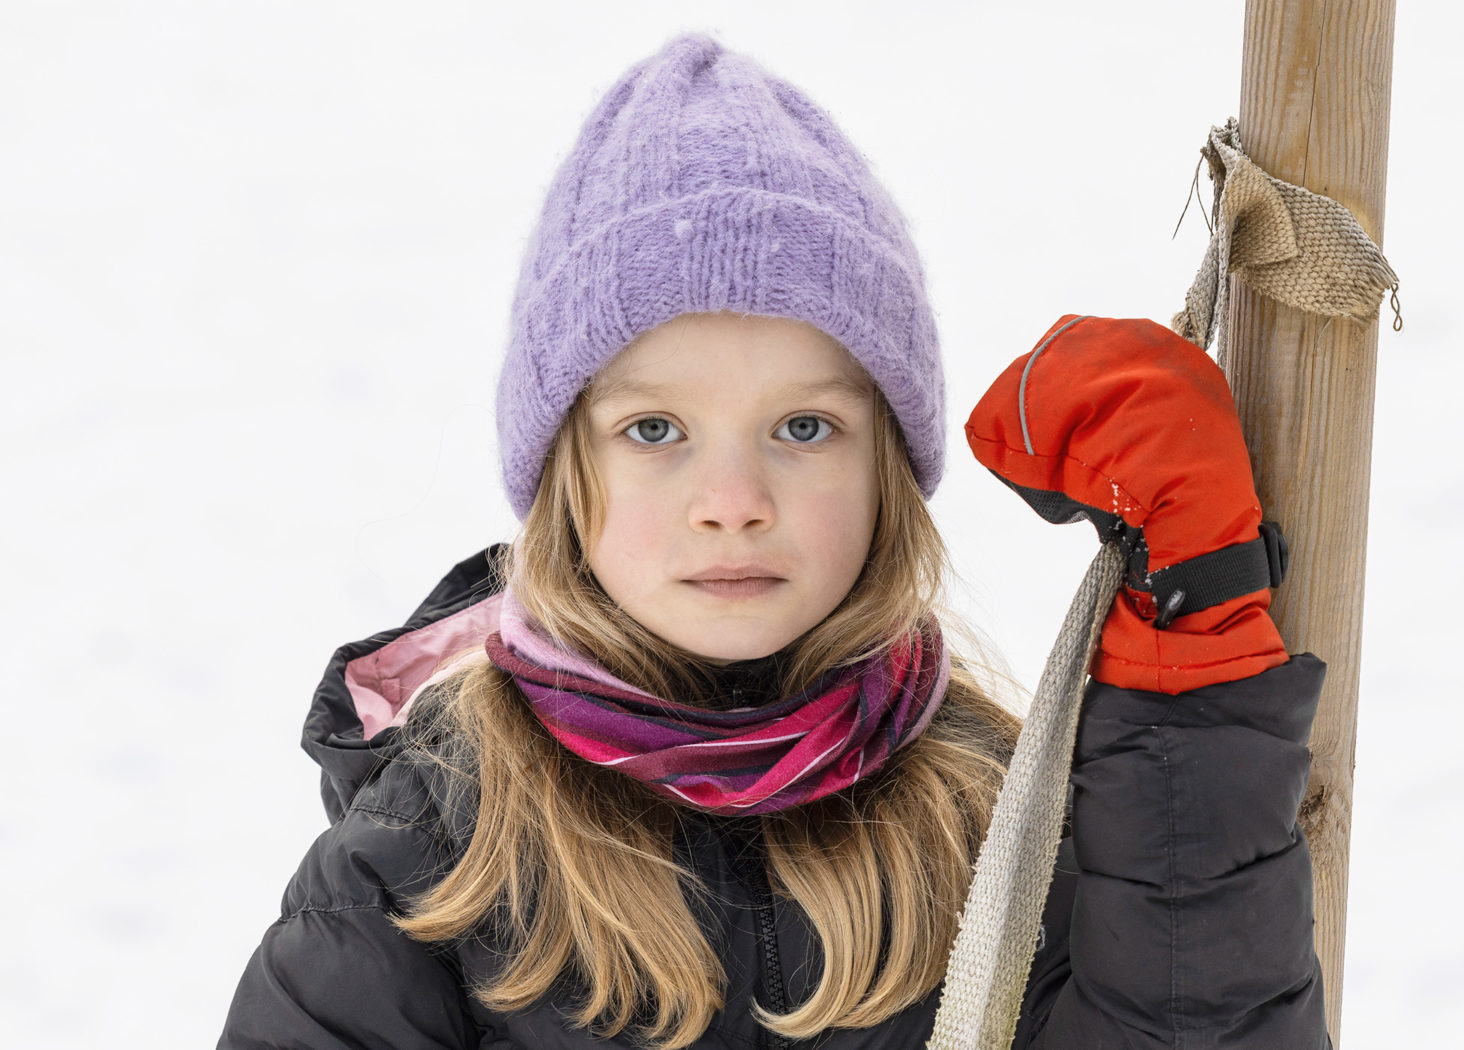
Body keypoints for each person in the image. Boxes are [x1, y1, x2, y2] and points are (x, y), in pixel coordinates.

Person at [219, 33, 1328, 1050]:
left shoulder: (1002, 826)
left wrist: (1196, 674)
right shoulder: (426, 855)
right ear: (564, 475)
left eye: (805, 427)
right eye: (655, 430)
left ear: (886, 469)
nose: (735, 500)